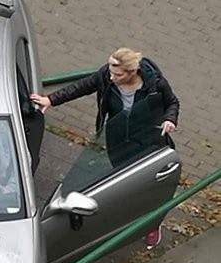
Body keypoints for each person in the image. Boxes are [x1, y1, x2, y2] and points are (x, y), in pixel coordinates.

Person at [31, 48, 180, 249]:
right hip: (117, 139)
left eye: (117, 75)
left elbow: (172, 102)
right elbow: (82, 86)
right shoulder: (106, 76)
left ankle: (152, 224)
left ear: (132, 72)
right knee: (126, 182)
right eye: (110, 72)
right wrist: (51, 99)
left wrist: (170, 119)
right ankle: (127, 217)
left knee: (149, 185)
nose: (111, 77)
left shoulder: (155, 85)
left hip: (148, 141)